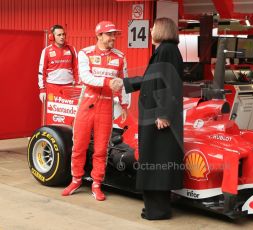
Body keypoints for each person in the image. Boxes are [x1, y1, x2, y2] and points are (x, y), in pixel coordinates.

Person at [122, 17, 184, 220]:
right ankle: (154, 207)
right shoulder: (163, 50)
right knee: (154, 161)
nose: (150, 29)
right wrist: (126, 83)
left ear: (162, 30)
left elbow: (170, 82)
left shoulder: (167, 50)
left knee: (157, 162)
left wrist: (163, 114)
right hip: (153, 116)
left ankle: (158, 210)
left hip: (158, 118)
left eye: (153, 27)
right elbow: (152, 78)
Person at [61, 21, 128, 201]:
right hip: (86, 105)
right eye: (109, 34)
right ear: (99, 35)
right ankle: (75, 180)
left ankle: (96, 184)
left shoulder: (120, 57)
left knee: (101, 149)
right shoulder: (85, 53)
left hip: (106, 107)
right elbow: (85, 77)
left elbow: (124, 83)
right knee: (79, 145)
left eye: (114, 34)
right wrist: (107, 82)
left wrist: (124, 105)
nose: (113, 38)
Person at [38, 24, 78, 102]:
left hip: (69, 87)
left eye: (63, 34)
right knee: (51, 113)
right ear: (52, 37)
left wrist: (77, 85)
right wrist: (42, 90)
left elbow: (77, 69)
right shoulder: (46, 51)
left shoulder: (72, 49)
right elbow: (41, 71)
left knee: (68, 112)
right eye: (59, 35)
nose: (62, 37)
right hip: (52, 88)